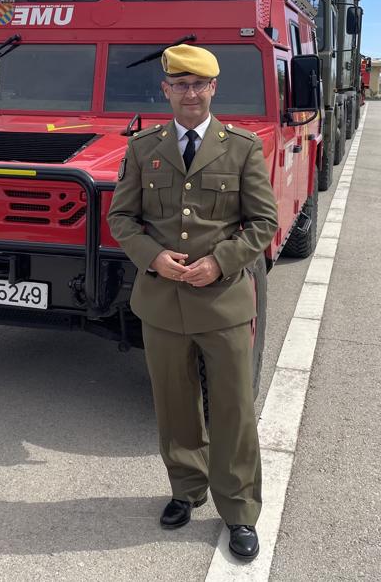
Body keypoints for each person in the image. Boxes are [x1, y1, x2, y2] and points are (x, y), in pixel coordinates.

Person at [107, 44, 278, 562]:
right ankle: (186, 489)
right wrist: (154, 259)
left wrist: (221, 261)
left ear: (213, 88)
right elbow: (122, 220)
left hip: (223, 303)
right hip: (161, 303)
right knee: (175, 407)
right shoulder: (143, 148)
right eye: (178, 84)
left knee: (232, 410)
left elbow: (264, 223)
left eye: (198, 84)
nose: (189, 93)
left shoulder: (242, 147)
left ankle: (240, 510)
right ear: (165, 90)